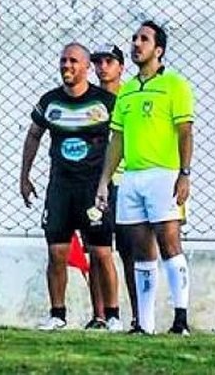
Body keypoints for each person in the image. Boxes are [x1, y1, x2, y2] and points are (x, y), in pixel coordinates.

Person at [96, 21, 194, 336]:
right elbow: (117, 140)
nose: (137, 44)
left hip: (163, 175)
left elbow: (185, 131)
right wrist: (104, 181)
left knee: (169, 243)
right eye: (135, 39)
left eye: (144, 39)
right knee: (140, 250)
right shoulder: (126, 91)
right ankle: (145, 324)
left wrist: (184, 174)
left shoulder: (174, 86)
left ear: (159, 49)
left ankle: (181, 319)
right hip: (132, 178)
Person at [20, 44, 120, 332]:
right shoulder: (50, 102)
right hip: (60, 189)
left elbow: (120, 139)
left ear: (86, 67)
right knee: (57, 253)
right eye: (63, 60)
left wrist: (110, 178)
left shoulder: (105, 102)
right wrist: (24, 176)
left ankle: (111, 315)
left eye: (73, 61)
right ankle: (57, 314)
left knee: (101, 253)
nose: (67, 66)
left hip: (93, 189)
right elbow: (34, 136)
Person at [91, 43, 138, 330]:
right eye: (97, 62)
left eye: (109, 61)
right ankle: (101, 315)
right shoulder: (90, 100)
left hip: (125, 181)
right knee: (97, 249)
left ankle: (138, 314)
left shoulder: (130, 96)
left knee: (131, 251)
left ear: (121, 66)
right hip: (96, 183)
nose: (102, 67)